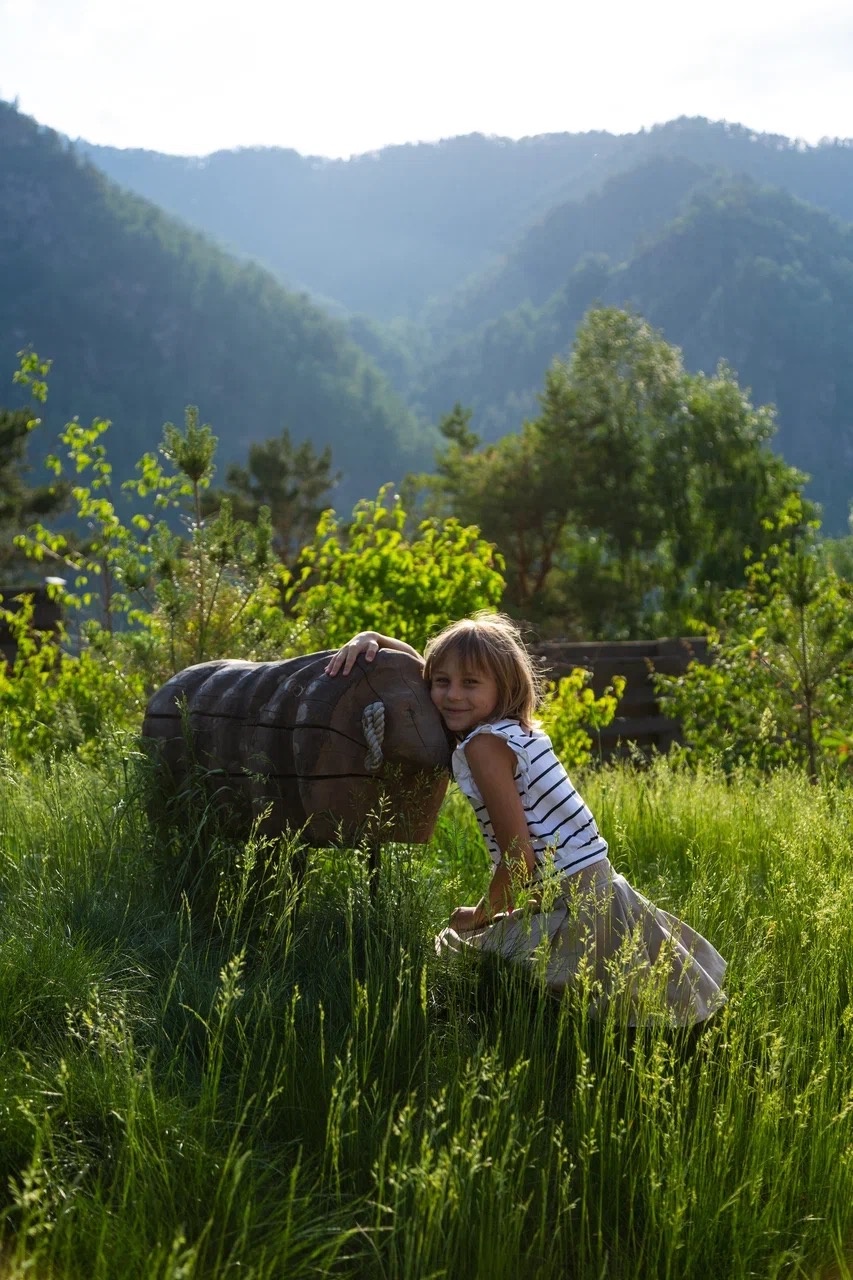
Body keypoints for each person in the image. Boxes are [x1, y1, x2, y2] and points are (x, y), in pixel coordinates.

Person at [325, 614, 726, 1026]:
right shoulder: (516, 730)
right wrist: (376, 639)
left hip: (574, 904)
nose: (451, 695)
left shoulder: (484, 747)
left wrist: (479, 914)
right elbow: (429, 668)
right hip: (597, 888)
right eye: (440, 683)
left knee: (449, 949)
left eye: (470, 683)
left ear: (504, 687)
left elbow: (519, 859)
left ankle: (452, 1034)